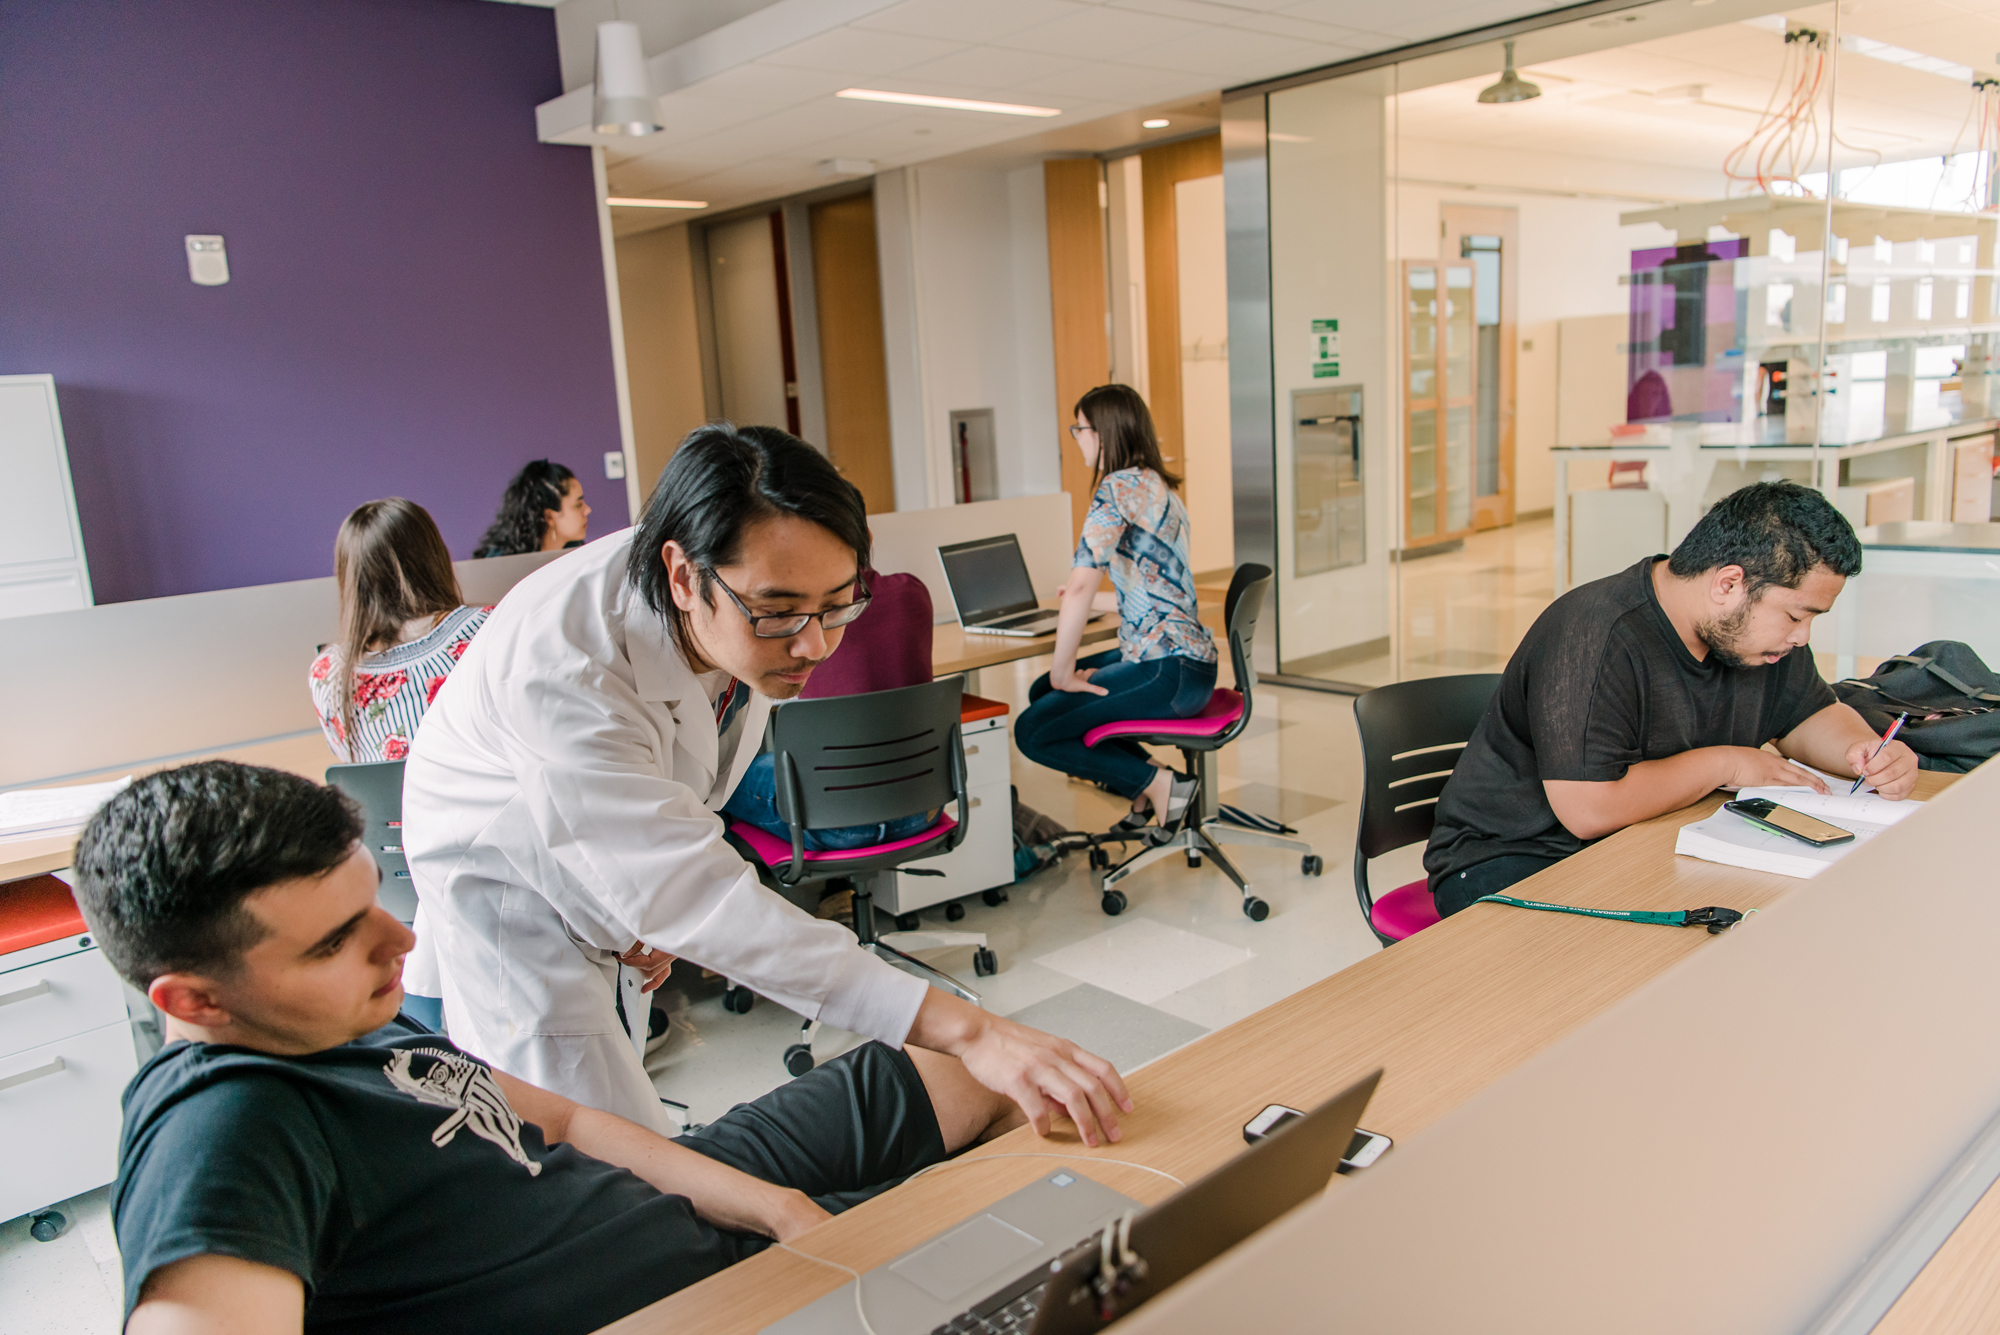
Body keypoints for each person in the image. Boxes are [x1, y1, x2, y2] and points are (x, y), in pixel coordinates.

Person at [75, 762, 1024, 1335]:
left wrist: (782, 1209)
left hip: (667, 1192)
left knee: (977, 1068)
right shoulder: (222, 1128)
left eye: (373, 902)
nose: (399, 942)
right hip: (672, 1298)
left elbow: (564, 1116)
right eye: (333, 941)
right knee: (1021, 1234)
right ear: (192, 999)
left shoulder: (334, 1017)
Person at [403, 422, 1131, 1140]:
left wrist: (635, 904)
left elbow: (668, 822)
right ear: (684, 576)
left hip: (586, 850)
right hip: (506, 887)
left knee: (626, 1117)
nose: (814, 644)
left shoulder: (719, 616)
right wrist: (969, 1031)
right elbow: (695, 893)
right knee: (594, 1155)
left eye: (839, 604)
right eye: (779, 612)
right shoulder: (565, 662)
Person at [1424, 481, 1921, 917]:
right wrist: (1727, 764)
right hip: (1517, 857)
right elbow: (1589, 808)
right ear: (1729, 583)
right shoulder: (1595, 634)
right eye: (1796, 617)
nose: (1802, 637)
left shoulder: (1758, 637)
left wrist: (1864, 752)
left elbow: (1810, 713)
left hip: (1651, 837)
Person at [1016, 384, 1219, 834]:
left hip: (1168, 670)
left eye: (1080, 428)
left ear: (1104, 432)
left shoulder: (1117, 487)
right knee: (1041, 696)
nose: (1077, 438)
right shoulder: (1156, 485)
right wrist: (1079, 597)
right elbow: (1153, 589)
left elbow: (1085, 580)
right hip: (1189, 665)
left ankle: (1158, 781)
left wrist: (1063, 667)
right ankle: (1148, 789)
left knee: (1032, 729)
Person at [721, 562, 938, 854]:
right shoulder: (912, 591)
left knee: (719, 778)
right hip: (924, 807)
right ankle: (838, 891)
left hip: (838, 827)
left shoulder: (803, 621)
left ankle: (743, 887)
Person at [308, 498, 489, 764]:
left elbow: (350, 761)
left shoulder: (327, 672)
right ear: (434, 557)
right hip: (488, 802)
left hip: (394, 806)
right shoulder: (484, 628)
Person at [472, 459, 590, 558]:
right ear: (549, 517)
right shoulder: (499, 563)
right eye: (578, 505)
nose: (588, 510)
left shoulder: (576, 554)